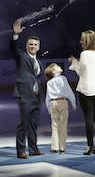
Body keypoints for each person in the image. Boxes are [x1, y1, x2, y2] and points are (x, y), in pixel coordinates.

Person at [10, 19, 45, 159]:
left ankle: (33, 148)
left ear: (39, 47)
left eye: (35, 45)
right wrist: (15, 36)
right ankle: (20, 150)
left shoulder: (39, 62)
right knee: (23, 124)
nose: (32, 46)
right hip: (24, 95)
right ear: (26, 46)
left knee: (33, 124)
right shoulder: (21, 56)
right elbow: (13, 49)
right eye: (30, 44)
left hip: (36, 96)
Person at [68, 30, 95, 155]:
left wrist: (74, 62)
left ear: (87, 41)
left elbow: (81, 72)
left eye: (82, 39)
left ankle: (90, 146)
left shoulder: (85, 54)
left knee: (88, 118)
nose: (80, 41)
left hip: (86, 89)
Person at [44, 63, 77, 154]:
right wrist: (73, 102)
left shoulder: (49, 82)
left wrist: (48, 108)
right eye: (57, 67)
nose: (60, 67)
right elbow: (68, 91)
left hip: (52, 103)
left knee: (54, 126)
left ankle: (54, 147)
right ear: (54, 71)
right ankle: (62, 147)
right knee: (63, 125)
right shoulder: (63, 78)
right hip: (62, 102)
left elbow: (47, 97)